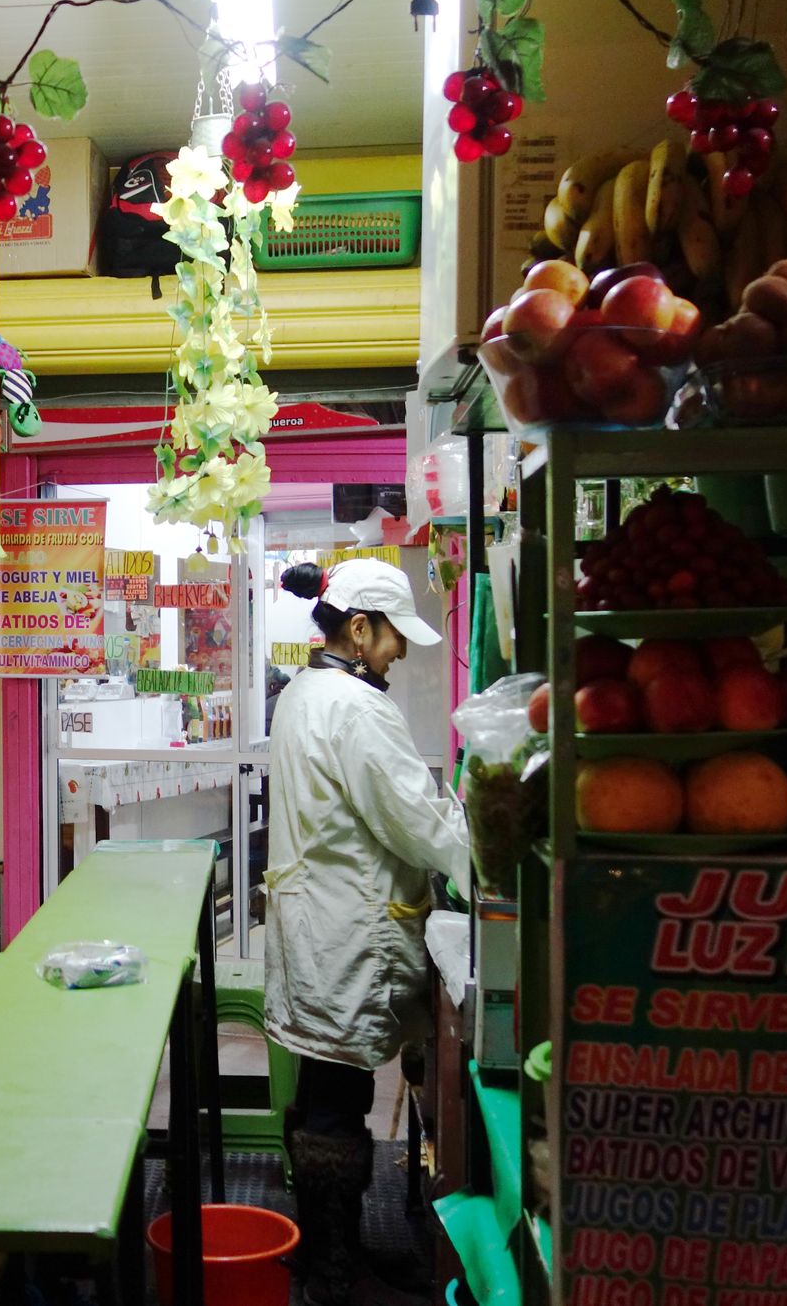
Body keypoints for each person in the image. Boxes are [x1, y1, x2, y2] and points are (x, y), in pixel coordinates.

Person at [265, 558, 469, 1306]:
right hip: (343, 929)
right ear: (358, 628)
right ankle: (332, 1273)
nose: (400, 652)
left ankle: (323, 1251)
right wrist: (484, 866)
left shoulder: (304, 691)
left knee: (324, 1086)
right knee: (338, 1097)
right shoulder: (354, 707)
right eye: (391, 638)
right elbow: (415, 821)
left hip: (318, 923)